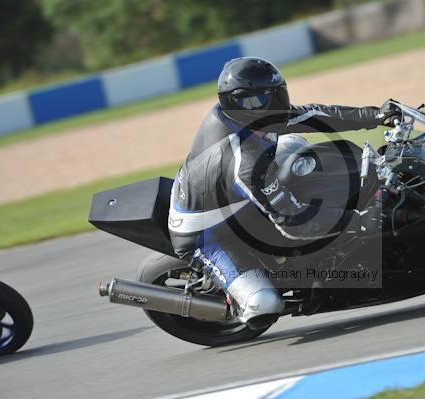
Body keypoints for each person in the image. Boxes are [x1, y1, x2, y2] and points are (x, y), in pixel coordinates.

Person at [168, 57, 400, 329]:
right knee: (264, 305)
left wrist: (376, 115)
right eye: (264, 99)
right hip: (208, 232)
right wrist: (358, 219)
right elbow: (294, 223)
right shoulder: (244, 162)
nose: (277, 104)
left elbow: (314, 115)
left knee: (295, 142)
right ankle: (243, 297)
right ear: (242, 103)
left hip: (225, 193)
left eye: (276, 93)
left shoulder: (242, 117)